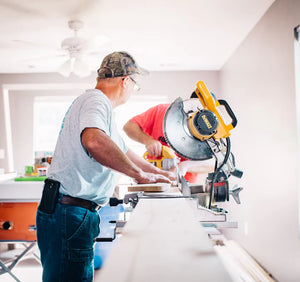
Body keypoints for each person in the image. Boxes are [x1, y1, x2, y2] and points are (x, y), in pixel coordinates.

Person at [36, 51, 175, 282]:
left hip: (70, 210)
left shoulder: (100, 108)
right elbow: (93, 141)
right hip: (70, 211)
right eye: (134, 85)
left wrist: (158, 174)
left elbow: (125, 151)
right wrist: (139, 176)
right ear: (126, 81)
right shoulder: (96, 100)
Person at [123, 101, 215, 184]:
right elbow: (129, 126)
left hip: (183, 184)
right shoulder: (162, 111)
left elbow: (214, 162)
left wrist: (185, 166)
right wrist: (147, 140)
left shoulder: (212, 132)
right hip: (151, 179)